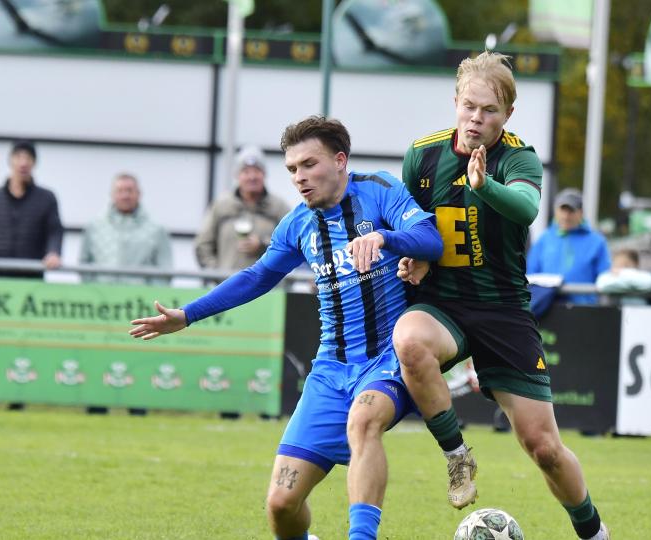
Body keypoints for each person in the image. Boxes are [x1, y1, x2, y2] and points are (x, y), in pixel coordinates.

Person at [130, 116, 443, 540]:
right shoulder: (297, 224)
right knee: (280, 505)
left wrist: (388, 239)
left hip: (386, 358)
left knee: (364, 420)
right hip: (331, 370)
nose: (299, 177)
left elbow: (430, 239)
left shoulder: (379, 191)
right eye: (292, 169)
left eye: (308, 165)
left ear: (339, 160)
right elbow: (255, 278)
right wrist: (186, 315)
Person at [394, 52, 609, 540]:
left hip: (504, 311)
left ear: (507, 115)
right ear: (455, 102)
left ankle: (595, 533)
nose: (476, 118)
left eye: (489, 110)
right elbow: (403, 222)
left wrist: (483, 184)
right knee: (408, 341)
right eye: (469, 106)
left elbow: (527, 207)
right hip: (442, 303)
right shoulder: (422, 154)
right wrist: (413, 253)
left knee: (544, 448)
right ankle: (457, 456)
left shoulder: (518, 157)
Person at [0, 140, 62, 278]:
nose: (23, 163)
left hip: (31, 278)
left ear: (34, 163)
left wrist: (53, 252)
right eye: (18, 157)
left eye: (28, 158)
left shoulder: (46, 198)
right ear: (10, 161)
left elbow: (55, 231)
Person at [194, 145, 291, 273]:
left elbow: (291, 243)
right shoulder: (221, 205)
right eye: (245, 171)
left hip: (270, 289)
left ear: (264, 174)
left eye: (257, 171)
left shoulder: (278, 207)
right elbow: (203, 245)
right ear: (237, 175)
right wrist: (217, 274)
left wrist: (263, 244)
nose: (252, 177)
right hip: (228, 287)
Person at [79, 173, 172, 285]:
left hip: (140, 299)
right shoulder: (94, 227)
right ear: (112, 195)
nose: (125, 196)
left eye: (129, 190)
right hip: (101, 297)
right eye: (120, 191)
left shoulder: (156, 230)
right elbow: (83, 264)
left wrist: (153, 296)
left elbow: (165, 270)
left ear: (139, 194)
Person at [526, 188, 611, 305]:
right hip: (547, 310)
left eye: (571, 211)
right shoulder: (544, 239)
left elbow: (605, 278)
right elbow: (531, 274)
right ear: (556, 211)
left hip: (584, 310)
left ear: (581, 213)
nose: (566, 216)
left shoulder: (597, 242)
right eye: (563, 210)